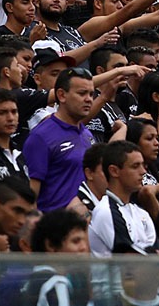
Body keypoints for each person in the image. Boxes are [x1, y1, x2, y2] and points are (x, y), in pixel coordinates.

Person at [23, 67, 96, 211]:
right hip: (55, 227)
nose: (88, 99)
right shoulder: (41, 137)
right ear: (61, 95)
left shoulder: (87, 134)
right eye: (82, 93)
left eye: (91, 94)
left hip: (86, 226)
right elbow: (30, 197)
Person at [89, 140, 159, 256]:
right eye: (135, 166)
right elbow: (129, 261)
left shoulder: (141, 213)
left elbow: (158, 255)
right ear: (114, 171)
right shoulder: (106, 211)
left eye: (143, 165)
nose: (143, 172)